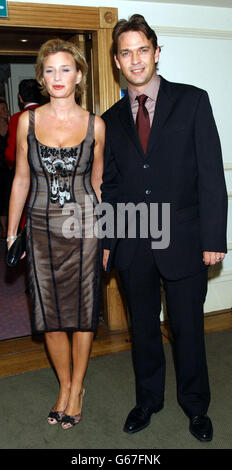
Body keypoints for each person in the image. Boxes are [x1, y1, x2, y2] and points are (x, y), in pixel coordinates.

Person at [101, 14, 228, 442]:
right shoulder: (111, 118)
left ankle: (196, 407)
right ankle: (147, 400)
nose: (135, 59)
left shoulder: (193, 101)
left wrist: (214, 239)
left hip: (187, 241)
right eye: (125, 52)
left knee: (188, 329)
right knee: (142, 330)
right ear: (117, 61)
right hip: (133, 245)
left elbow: (212, 174)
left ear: (157, 53)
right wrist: (110, 242)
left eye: (142, 49)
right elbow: (111, 187)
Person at [7, 39, 105, 429]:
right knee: (48, 315)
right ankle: (63, 385)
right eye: (50, 70)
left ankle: (78, 387)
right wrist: (12, 233)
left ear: (79, 76)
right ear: (42, 79)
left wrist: (108, 238)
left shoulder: (96, 124)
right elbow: (20, 179)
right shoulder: (27, 122)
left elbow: (98, 186)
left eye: (65, 69)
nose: (57, 77)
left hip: (85, 230)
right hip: (42, 229)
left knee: (82, 316)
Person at [5, 79, 41, 230]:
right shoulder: (49, 115)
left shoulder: (17, 119)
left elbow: (12, 153)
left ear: (20, 97)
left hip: (25, 173)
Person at [0, 99, 13, 239]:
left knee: (9, 198)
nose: (6, 111)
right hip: (0, 170)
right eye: (3, 109)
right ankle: (4, 229)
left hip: (10, 169)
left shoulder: (12, 127)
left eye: (6, 108)